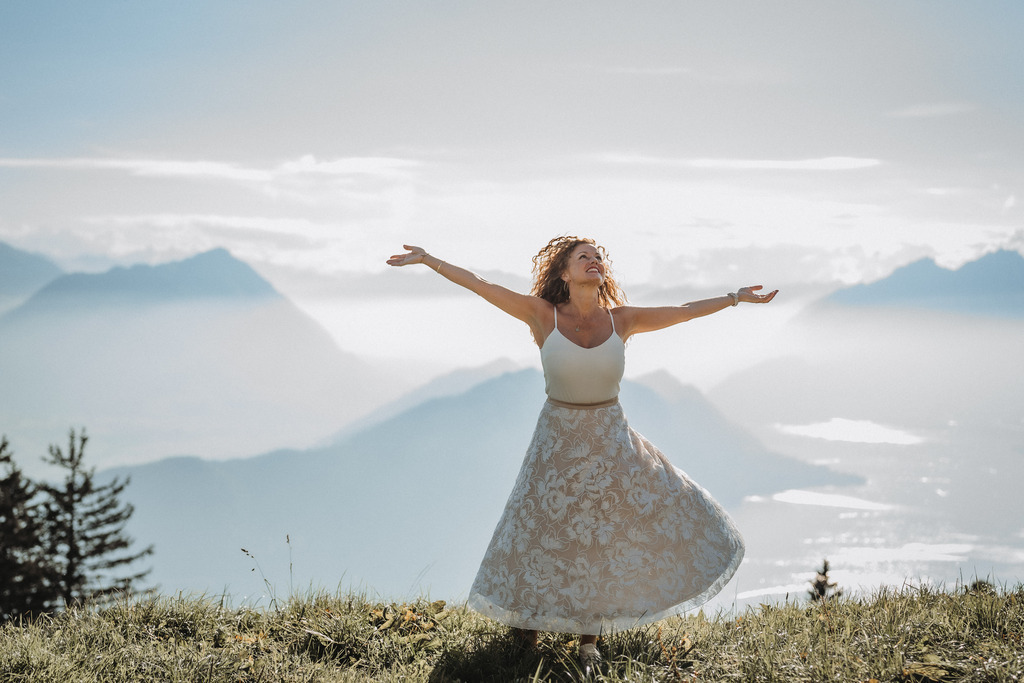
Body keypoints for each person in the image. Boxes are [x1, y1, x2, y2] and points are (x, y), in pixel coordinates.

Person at [387, 237, 777, 675]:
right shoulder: (543, 315)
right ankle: (526, 630)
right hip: (556, 441)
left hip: (610, 441)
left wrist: (734, 298)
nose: (594, 261)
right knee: (539, 533)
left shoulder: (622, 320)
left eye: (598, 257)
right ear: (565, 273)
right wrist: (429, 260)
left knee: (599, 538)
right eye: (583, 257)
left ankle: (589, 643)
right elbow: (482, 285)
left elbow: (684, 311)